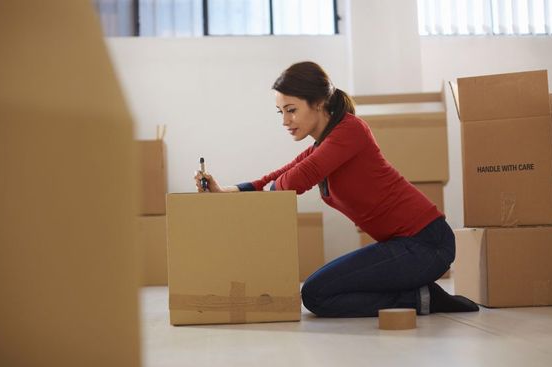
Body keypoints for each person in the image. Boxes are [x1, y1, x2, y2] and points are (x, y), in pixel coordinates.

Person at [194, 61, 479, 317]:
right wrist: (225, 192)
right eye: (280, 112)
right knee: (317, 292)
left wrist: (271, 190)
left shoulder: (350, 131)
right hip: (401, 245)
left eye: (291, 110)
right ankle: (421, 295)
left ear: (318, 102)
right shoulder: (324, 144)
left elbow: (293, 181)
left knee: (316, 293)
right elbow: (279, 175)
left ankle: (421, 298)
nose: (285, 121)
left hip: (427, 243)